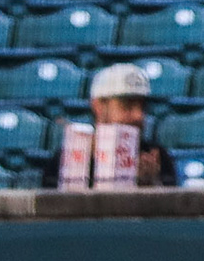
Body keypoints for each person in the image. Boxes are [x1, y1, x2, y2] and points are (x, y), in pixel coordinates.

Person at [38, 64, 178, 188]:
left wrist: (151, 185)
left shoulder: (155, 156)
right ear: (98, 106)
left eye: (142, 107)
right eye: (127, 105)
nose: (138, 115)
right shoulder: (66, 159)